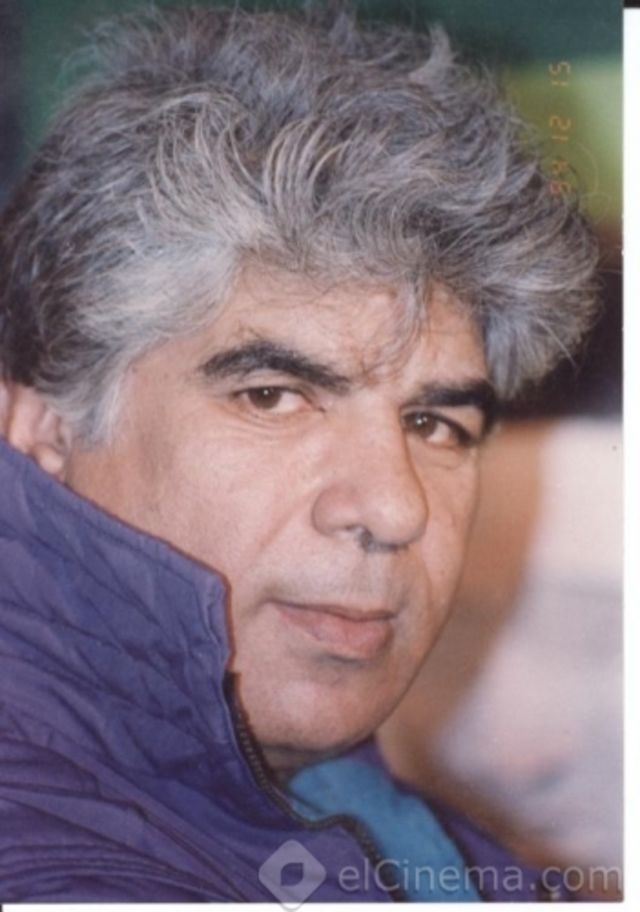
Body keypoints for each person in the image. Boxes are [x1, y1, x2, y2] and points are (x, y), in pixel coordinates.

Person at [0, 5, 598, 903]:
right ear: (44, 432)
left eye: (435, 424)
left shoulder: (346, 807)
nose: (395, 509)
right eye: (273, 396)